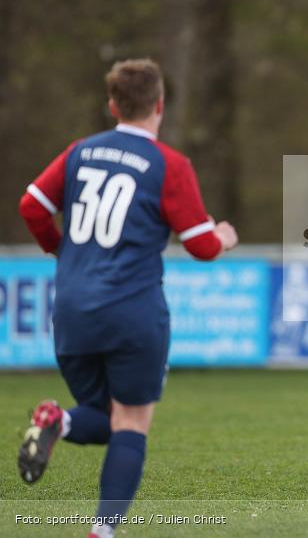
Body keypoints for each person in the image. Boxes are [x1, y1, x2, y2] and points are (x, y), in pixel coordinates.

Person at [17, 58, 238, 538]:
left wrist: (60, 249)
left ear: (113, 105)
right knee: (132, 423)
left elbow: (31, 205)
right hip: (133, 313)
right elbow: (201, 247)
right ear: (159, 105)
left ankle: (56, 422)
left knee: (103, 417)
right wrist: (224, 237)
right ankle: (103, 531)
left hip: (72, 310)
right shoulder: (168, 164)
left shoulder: (80, 151)